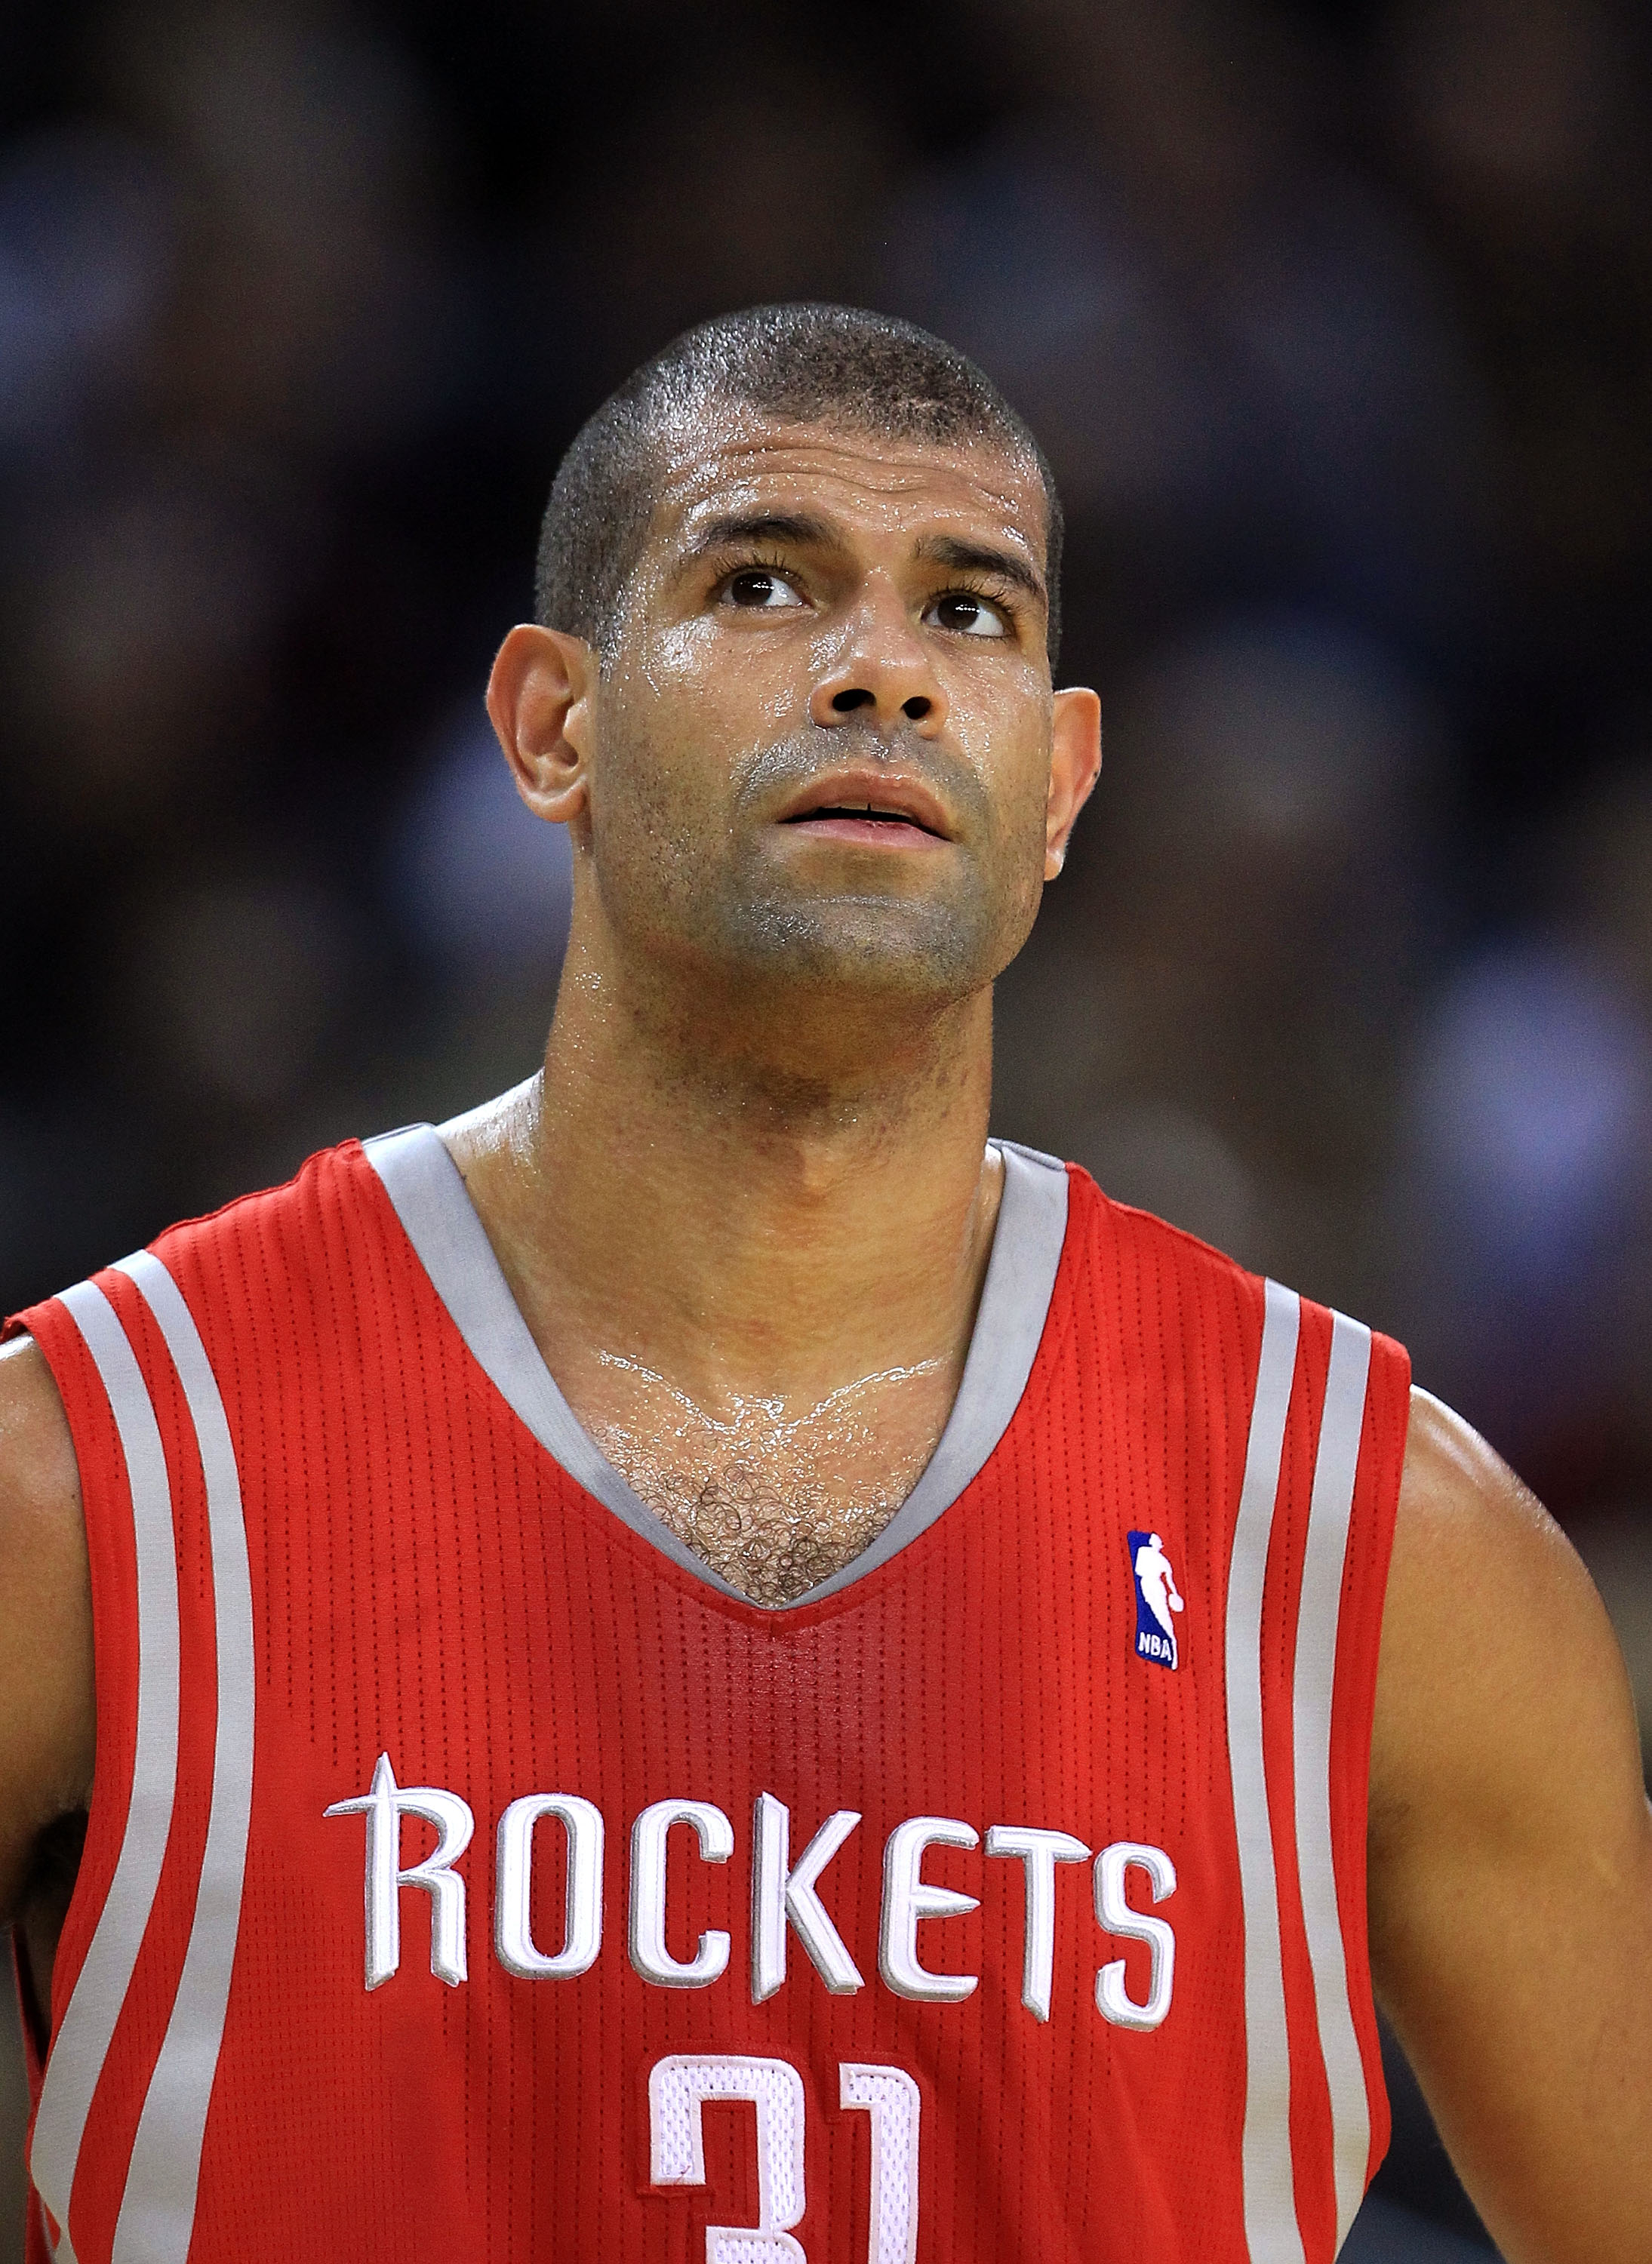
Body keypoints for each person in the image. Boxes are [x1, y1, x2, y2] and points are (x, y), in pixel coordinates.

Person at [0, 303, 1647, 2264]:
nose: (885, 672)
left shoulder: (1381, 1537)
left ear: (1060, 782)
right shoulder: (94, 1478)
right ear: (552, 726)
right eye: (763, 580)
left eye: (972, 613)